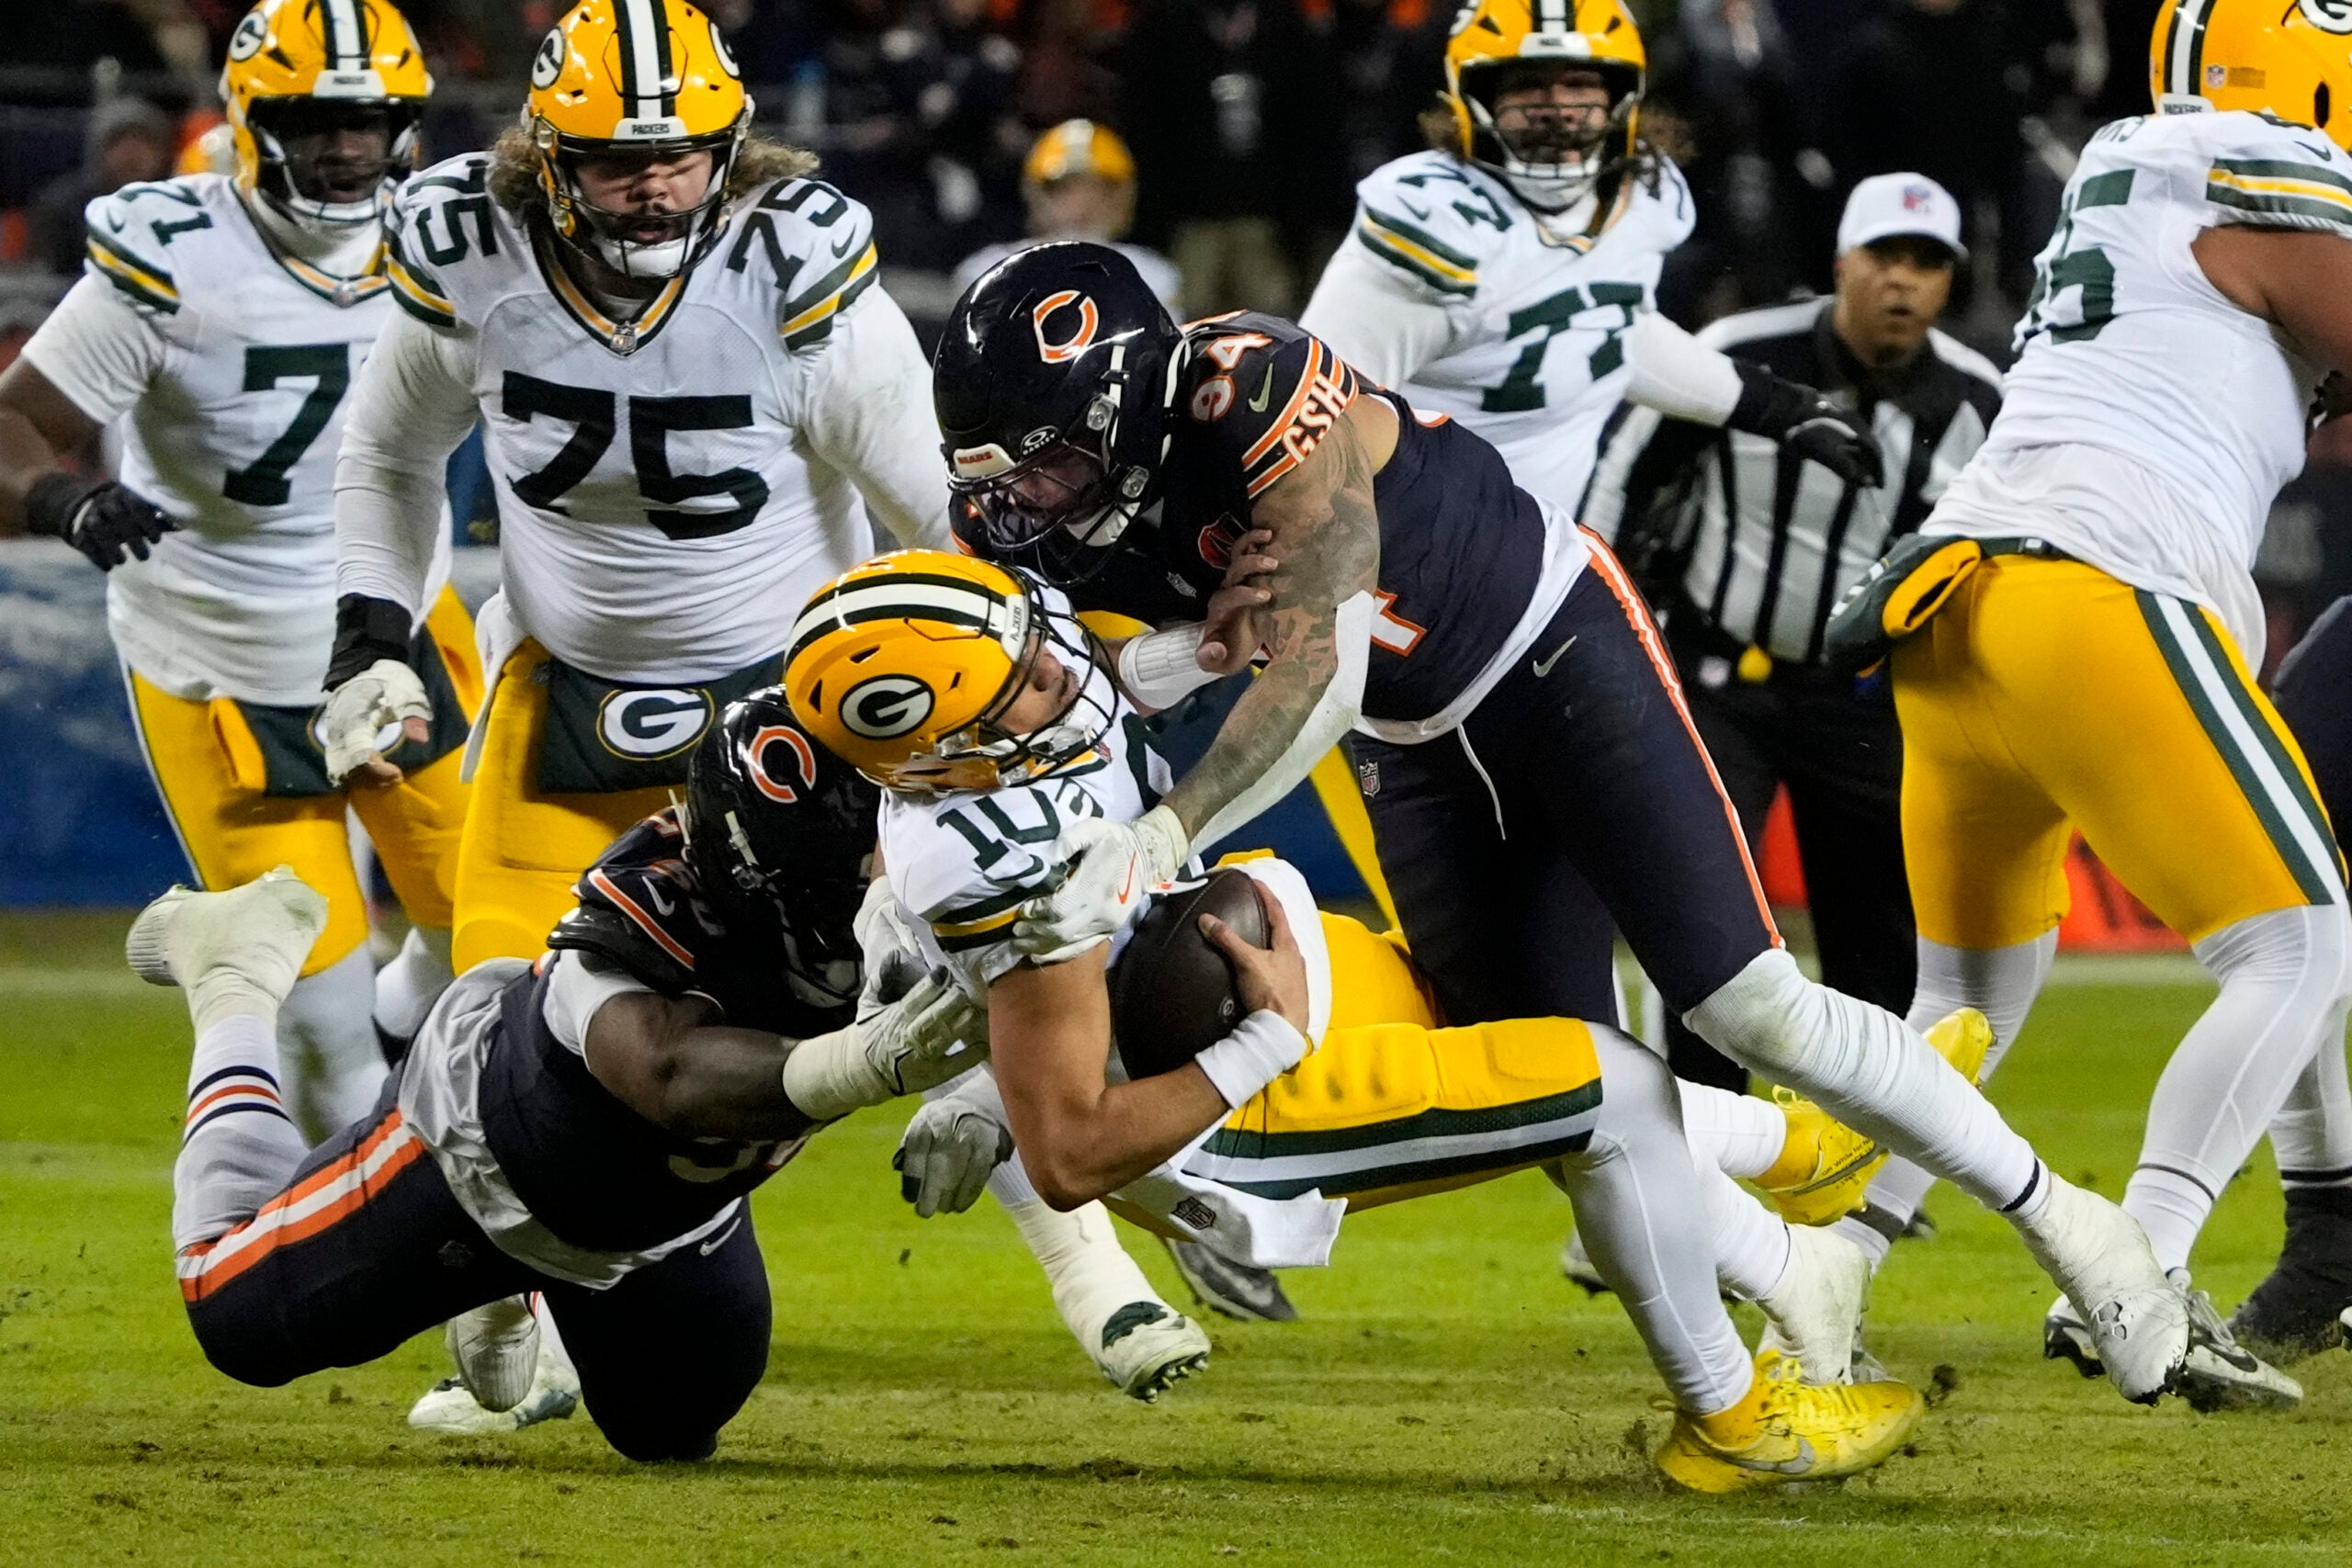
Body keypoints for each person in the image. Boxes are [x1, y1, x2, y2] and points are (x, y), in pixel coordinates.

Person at [930, 234, 2198, 1407]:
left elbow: (1324, 664)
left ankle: (2080, 1228)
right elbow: (1090, 691)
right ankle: (1800, 1268)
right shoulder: (1018, 515)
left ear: (1120, 402)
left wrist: (1160, 831)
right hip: (1417, 744)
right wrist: (1186, 654)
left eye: (1043, 457)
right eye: (999, 467)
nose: (1024, 497)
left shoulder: (1251, 384)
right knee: (1543, 1078)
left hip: (1549, 646)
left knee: (1747, 1002)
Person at [783, 549, 1929, 1492]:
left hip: (1267, 966)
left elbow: (1104, 676)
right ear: (938, 748)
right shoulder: (1002, 874)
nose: (1059, 673)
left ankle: (1803, 1159)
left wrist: (1204, 648)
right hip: (1243, 1104)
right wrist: (1261, 1043)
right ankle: (1734, 1420)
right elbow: (1071, 1150)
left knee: (1510, 1029)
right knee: (1604, 1091)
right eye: (1026, 678)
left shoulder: (971, 747)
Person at [1819, 0, 2352, 1411]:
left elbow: (2302, 383)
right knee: (2300, 940)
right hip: (2100, 591)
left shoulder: (2141, 162)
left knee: (1961, 1009)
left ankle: (1816, 1279)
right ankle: (2144, 1267)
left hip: (1960, 611)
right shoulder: (2264, 162)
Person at [135, 692, 983, 1463]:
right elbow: (667, 1072)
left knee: (670, 1428)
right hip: (483, 1162)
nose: (888, 871)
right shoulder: (643, 898)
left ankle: (517, 1297)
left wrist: (982, 1099)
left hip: (670, 1216)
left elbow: (1035, 998)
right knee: (234, 1317)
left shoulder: (917, 872)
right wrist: (867, 1062)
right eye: (864, 856)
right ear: (763, 872)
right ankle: (235, 975)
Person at [319, 0, 950, 973]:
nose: (654, 188)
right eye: (616, 163)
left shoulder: (793, 280)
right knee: (502, 1010)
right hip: (562, 697)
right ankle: (411, 1017)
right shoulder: (477, 261)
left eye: (681, 158)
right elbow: (388, 459)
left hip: (793, 713)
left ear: (730, 152)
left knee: (764, 1048)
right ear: (547, 158)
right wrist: (370, 632)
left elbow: (940, 513)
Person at [0, 0, 476, 1139]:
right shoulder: (175, 259)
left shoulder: (447, 235)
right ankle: (382, 1229)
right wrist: (65, 495)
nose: (350, 148)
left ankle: (414, 1032)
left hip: (400, 630)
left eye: (371, 122)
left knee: (492, 941)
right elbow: (12, 425)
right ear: (251, 122)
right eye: (316, 121)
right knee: (317, 1015)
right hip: (223, 655)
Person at [1583, 172, 2001, 1095]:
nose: (1903, 283)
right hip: (1718, 679)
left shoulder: (1978, 401)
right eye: (1885, 258)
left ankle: (1859, 1167)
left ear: (1949, 282)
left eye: (1927, 265)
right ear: (1841, 263)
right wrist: (1597, 620)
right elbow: (1615, 477)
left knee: (1881, 942)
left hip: (1867, 700)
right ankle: (1691, 1157)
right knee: (1704, 917)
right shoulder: (1742, 354)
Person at [1297, 0, 1883, 528]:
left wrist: (1775, 406)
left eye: (1580, 84)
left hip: (1541, 555)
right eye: (1527, 86)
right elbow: (1310, 416)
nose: (1557, 109)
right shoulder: (1436, 220)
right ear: (1473, 99)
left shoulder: (1638, 200)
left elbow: (1609, 328)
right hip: (1411, 559)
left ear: (1623, 97)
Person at [952, 119, 1182, 310]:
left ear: (1118, 198)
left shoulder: (1152, 276)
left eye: (1094, 191)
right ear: (1037, 195)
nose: (1081, 204)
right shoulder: (989, 271)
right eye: (1064, 189)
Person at [28, 96, 179, 278]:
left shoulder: (181, 207)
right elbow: (48, 278)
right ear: (98, 150)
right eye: (119, 142)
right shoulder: (62, 207)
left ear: (163, 152)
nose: (132, 153)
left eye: (144, 142)